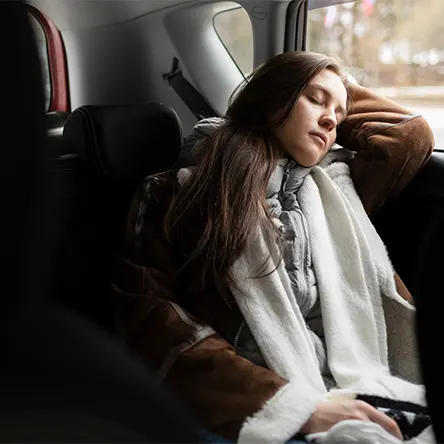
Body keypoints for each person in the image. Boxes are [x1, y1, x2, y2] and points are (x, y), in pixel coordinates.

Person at [111, 51, 435, 443]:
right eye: (315, 99)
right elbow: (150, 321)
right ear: (272, 98)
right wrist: (294, 407)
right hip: (251, 398)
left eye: (340, 113)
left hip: (351, 381)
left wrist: (331, 84)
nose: (333, 120)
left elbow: (407, 134)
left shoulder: (337, 187)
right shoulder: (175, 191)